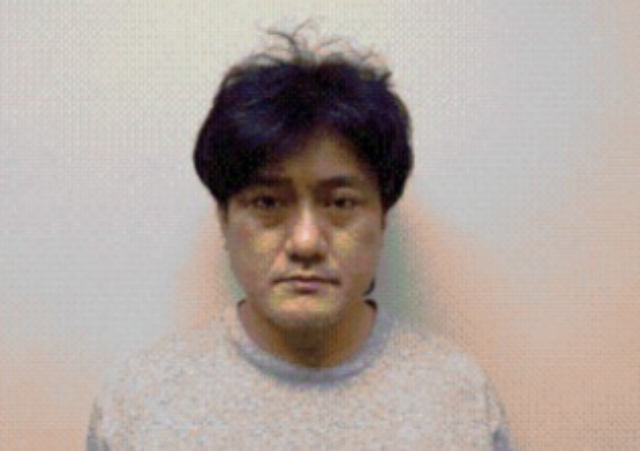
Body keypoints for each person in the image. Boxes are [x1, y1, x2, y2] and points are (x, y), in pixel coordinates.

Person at [86, 25, 513, 450]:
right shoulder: (138, 405)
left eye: (340, 203)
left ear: (383, 217)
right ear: (224, 219)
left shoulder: (458, 401)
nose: (306, 243)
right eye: (267, 203)